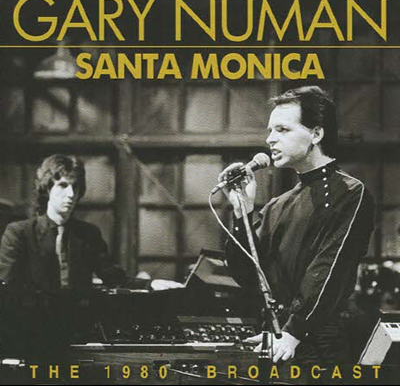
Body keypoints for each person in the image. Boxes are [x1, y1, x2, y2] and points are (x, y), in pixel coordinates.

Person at [219, 86, 374, 372]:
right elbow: (247, 275)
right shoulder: (277, 205)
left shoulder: (350, 192)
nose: (270, 139)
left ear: (316, 134)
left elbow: (329, 269)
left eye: (282, 129)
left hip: (318, 345)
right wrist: (242, 213)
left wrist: (293, 330)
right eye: (270, 130)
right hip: (280, 339)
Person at [0, 154, 182, 291]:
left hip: (79, 323)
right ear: (47, 189)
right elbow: (7, 288)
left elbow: (115, 279)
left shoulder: (88, 234)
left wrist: (151, 284)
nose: (71, 194)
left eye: (75, 187)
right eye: (63, 185)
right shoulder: (19, 233)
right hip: (32, 324)